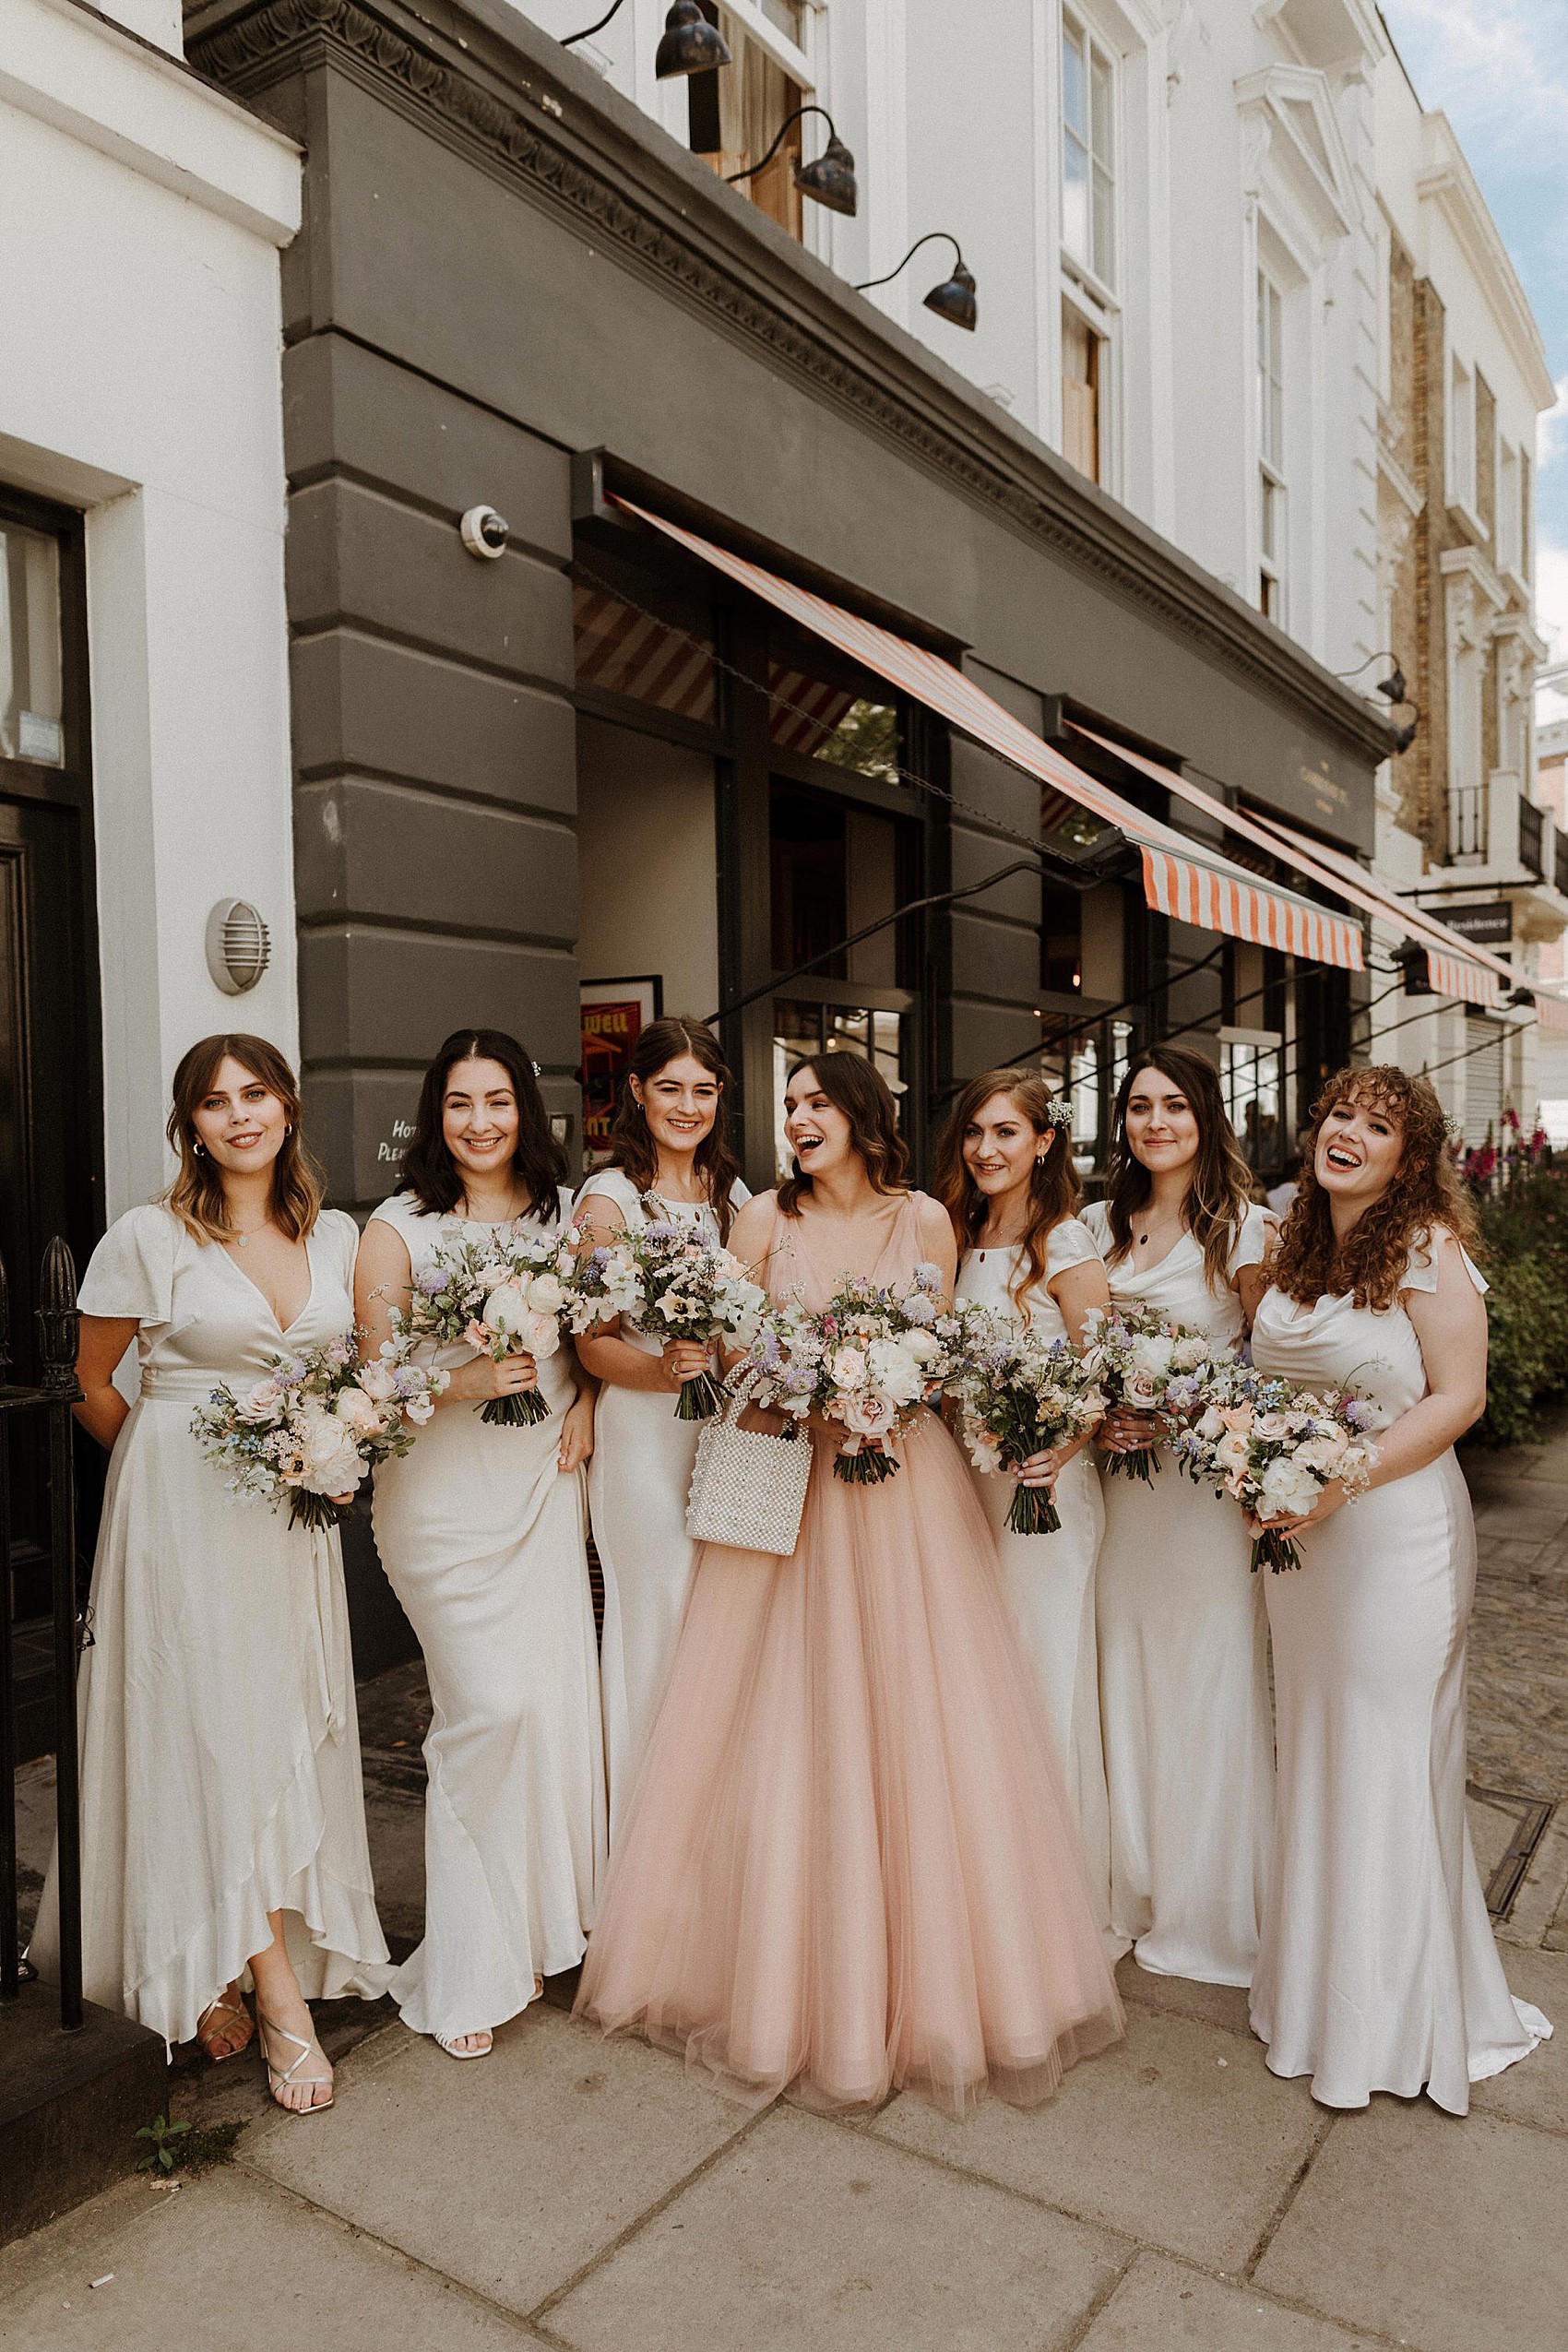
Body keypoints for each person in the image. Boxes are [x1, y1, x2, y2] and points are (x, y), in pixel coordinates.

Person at [576, 1051, 1123, 2116]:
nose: (797, 1121)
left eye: (815, 1104)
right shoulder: (757, 1224)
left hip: (902, 1488)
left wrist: (886, 1393)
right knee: (785, 1719)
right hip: (795, 1485)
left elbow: (942, 1350)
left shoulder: (923, 1218)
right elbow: (731, 1353)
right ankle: (784, 1983)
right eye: (787, 1108)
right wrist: (798, 1390)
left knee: (923, 1716)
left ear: (864, 1116)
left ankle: (944, 1985)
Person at [30, 1036, 388, 2112]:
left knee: (275, 1729)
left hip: (289, 1520)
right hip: (181, 1517)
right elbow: (92, 1381)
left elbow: (361, 1372)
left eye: (256, 1094)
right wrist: (171, 1465)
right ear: (190, 1124)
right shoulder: (147, 1234)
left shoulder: (335, 1232)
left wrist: (332, 1450)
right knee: (208, 1733)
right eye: (214, 1102)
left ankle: (232, 1957)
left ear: (287, 1106)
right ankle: (276, 2000)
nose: (239, 1115)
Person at [1248, 1066, 1550, 2109]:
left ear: (1407, 1159)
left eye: (1375, 1127)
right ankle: (1317, 1997)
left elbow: (1457, 1397)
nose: (1347, 1135)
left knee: (1381, 1758)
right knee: (1320, 1751)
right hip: (1303, 1545)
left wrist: (1340, 1481)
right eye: (1338, 1115)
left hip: (1393, 1540)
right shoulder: (1297, 1238)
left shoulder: (1425, 1248)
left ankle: (1390, 2023)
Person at [356, 1029, 603, 2059]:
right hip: (440, 1504)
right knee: (484, 1711)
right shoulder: (398, 1225)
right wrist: (467, 1379)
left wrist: (582, 1396)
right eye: (459, 1103)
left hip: (541, 1483)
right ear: (435, 1113)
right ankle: (465, 1963)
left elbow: (591, 1331)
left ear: (525, 1110)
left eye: (496, 1101)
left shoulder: (560, 1215)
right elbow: (375, 1386)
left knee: (549, 1707)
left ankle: (539, 1929)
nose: (480, 1123)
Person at [1082, 1046, 1275, 1988]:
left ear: (1205, 1115)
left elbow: (1268, 1371)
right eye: (1137, 1107)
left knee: (1204, 1675)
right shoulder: (1095, 1225)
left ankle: (1205, 1897)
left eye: (1172, 1106)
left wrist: (1180, 1408)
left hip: (1197, 1499)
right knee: (1124, 1664)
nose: (1153, 1122)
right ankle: (1135, 1877)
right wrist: (1097, 1408)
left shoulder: (1242, 1231)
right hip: (1119, 1490)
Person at [938, 1070, 1117, 1940]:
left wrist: (1059, 1444)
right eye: (975, 1132)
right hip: (963, 1482)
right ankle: (986, 1875)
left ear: (1044, 1142)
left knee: (1041, 1671)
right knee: (979, 1675)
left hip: (1043, 1489)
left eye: (1006, 1133)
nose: (986, 1150)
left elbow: (1100, 1370)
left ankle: (1055, 1904)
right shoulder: (953, 1229)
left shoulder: (1067, 1241)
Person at [572, 1017, 750, 1840]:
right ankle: (650, 1844)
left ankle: (713, 1827)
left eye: (704, 1091)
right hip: (644, 1436)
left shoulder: (736, 1198)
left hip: (724, 1435)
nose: (688, 1106)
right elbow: (591, 1341)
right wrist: (662, 1369)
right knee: (661, 1615)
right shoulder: (608, 1200)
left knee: (721, 1625)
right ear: (636, 1093)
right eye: (670, 1088)